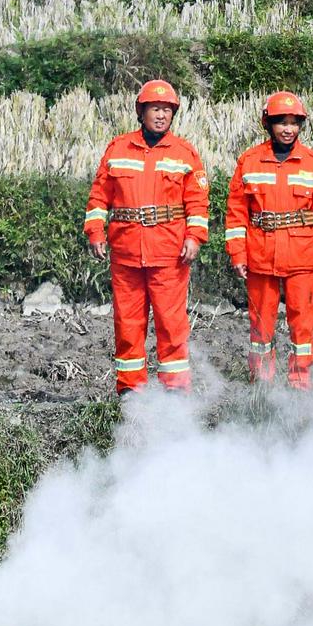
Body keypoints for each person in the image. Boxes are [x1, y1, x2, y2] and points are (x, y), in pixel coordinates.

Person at [83, 79, 208, 394]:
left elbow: (197, 202)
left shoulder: (185, 153)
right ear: (141, 112)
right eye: (155, 108)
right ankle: (130, 392)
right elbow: (99, 196)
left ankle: (176, 392)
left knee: (171, 324)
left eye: (167, 110)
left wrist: (194, 237)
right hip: (126, 253)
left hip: (169, 254)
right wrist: (95, 230)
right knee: (127, 325)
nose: (161, 115)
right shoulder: (118, 148)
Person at [224, 90, 313, 388]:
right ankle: (262, 382)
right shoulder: (249, 162)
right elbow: (236, 214)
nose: (287, 129)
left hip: (302, 257)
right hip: (260, 256)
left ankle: (300, 381)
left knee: (303, 322)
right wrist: (238, 254)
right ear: (268, 124)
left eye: (294, 123)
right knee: (260, 322)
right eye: (280, 122)